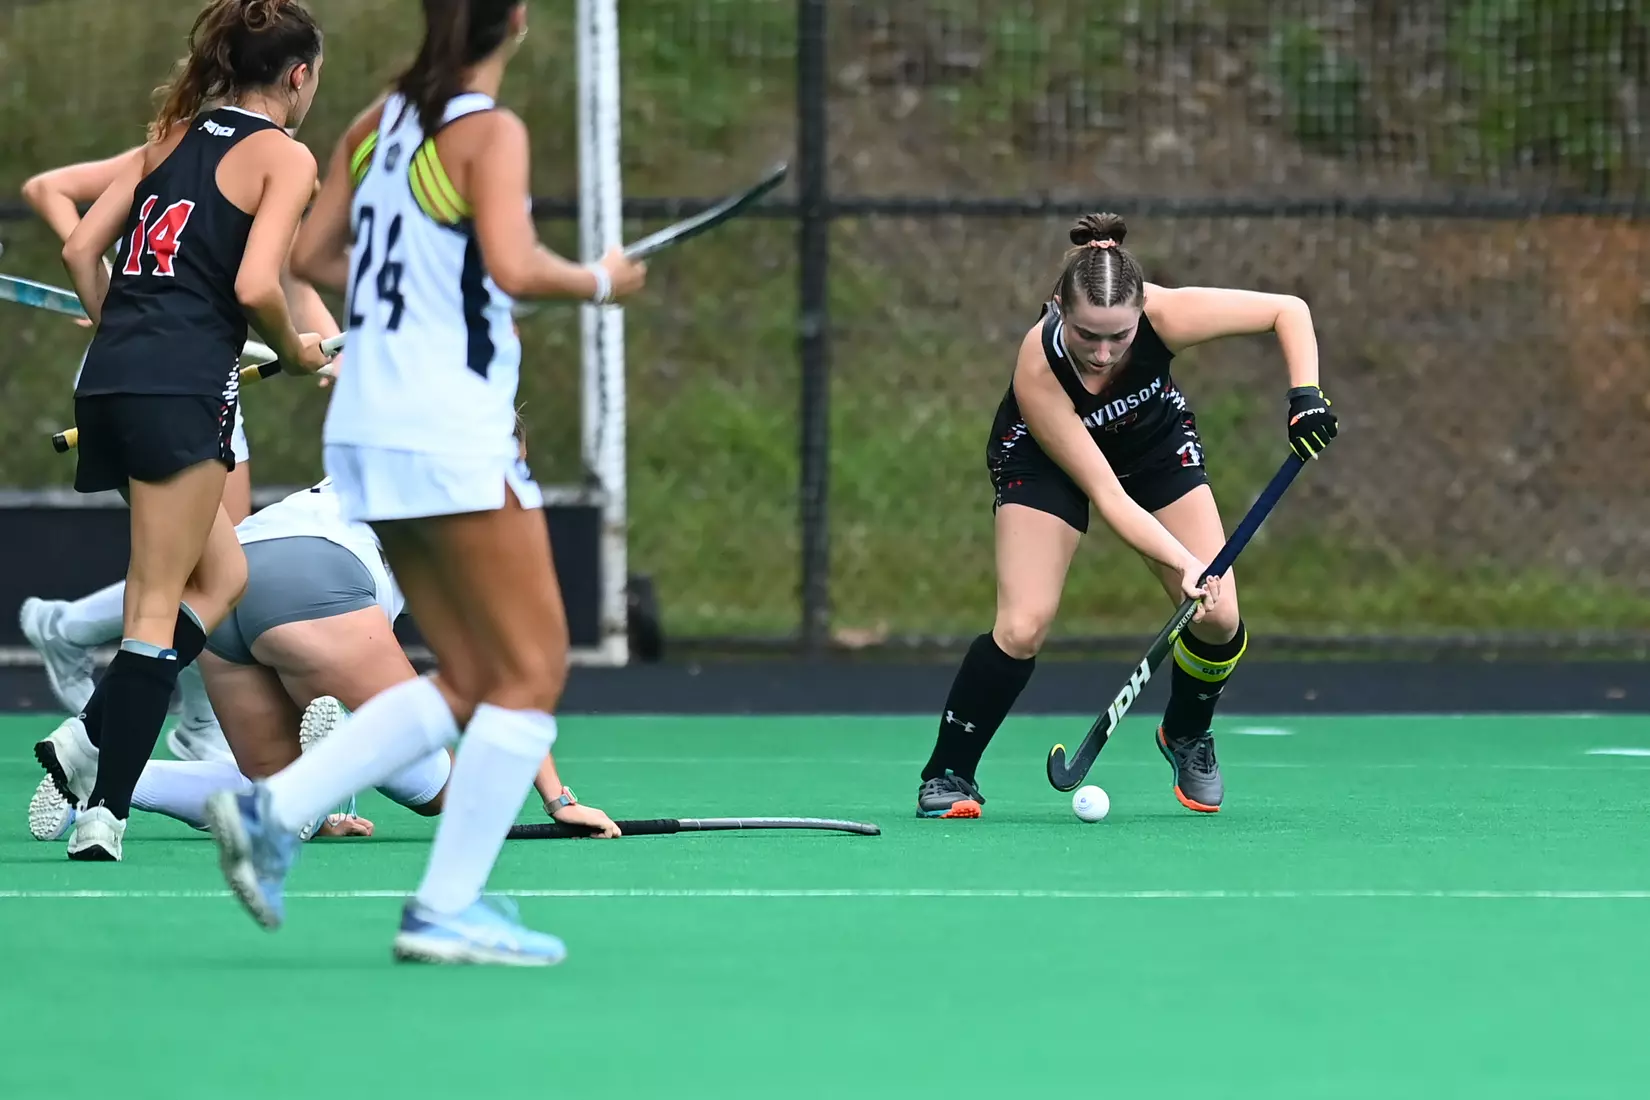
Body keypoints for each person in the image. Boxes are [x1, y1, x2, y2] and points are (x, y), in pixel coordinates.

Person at [206, 0, 647, 966]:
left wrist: (414, 287)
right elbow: (517, 266)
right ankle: (440, 905)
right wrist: (604, 280)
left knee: (478, 676)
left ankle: (278, 812)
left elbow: (316, 257)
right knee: (529, 672)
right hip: (450, 427)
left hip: (366, 424)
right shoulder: (488, 130)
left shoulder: (379, 121)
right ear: (516, 20)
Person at [33, 0, 333, 862]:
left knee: (224, 572)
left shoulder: (168, 137)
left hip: (111, 387)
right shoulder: (284, 156)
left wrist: (122, 328)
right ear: (297, 74)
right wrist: (300, 354)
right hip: (178, 394)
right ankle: (106, 814)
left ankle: (92, 736)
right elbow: (254, 286)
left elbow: (80, 249)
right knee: (153, 609)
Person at [915, 213, 1337, 819]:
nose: (1105, 353)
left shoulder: (1166, 314)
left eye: (1121, 336)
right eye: (1089, 335)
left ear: (1142, 313)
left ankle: (1186, 731)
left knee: (1219, 618)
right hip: (1047, 460)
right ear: (1058, 307)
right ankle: (949, 772)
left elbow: (1287, 310)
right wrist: (1185, 562)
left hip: (1154, 448)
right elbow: (1111, 499)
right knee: (1023, 624)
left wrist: (1306, 397)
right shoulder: (1038, 367)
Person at [28, 479, 619, 843]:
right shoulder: (473, 510)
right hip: (321, 584)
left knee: (278, 804)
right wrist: (558, 799)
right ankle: (340, 756)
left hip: (224, 580)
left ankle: (106, 783)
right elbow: (503, 670)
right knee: (456, 792)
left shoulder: (368, 452)